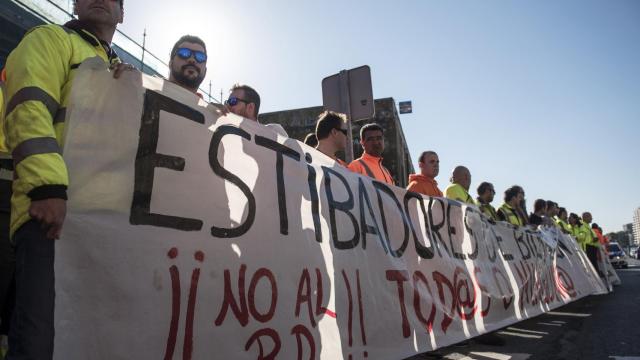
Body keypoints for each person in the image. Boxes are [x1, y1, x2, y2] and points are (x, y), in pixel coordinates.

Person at [2, 0, 124, 357]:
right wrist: (48, 186)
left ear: (122, 14)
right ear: (74, 3)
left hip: (103, 224)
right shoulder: (50, 39)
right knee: (41, 340)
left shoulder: (121, 71)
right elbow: (28, 108)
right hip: (52, 215)